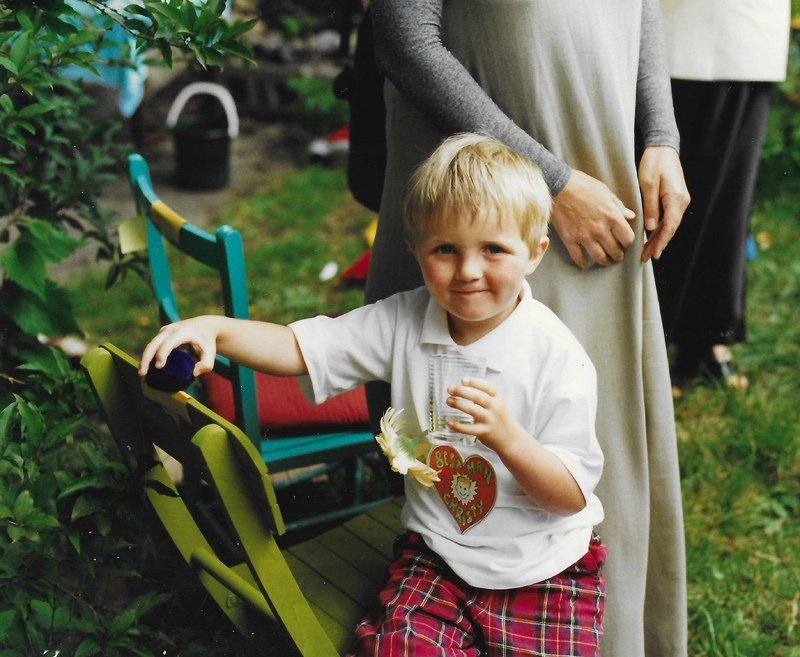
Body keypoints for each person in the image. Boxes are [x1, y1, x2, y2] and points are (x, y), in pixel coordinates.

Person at [140, 133, 608, 656]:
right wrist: (215, 328)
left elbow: (569, 496)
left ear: (535, 252)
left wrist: (510, 440)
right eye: (445, 249)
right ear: (415, 249)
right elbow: (300, 348)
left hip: (543, 568)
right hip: (439, 557)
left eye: (493, 249)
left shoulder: (555, 357)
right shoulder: (403, 321)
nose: (468, 270)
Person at [364, 2, 691, 655]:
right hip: (503, 193)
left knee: (596, 443)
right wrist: (553, 183)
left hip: (599, 168)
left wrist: (661, 135)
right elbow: (404, 40)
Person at [655, 0, 791, 391]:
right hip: (684, 37)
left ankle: (707, 340)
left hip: (747, 40)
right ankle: (659, 345)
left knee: (730, 207)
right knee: (674, 202)